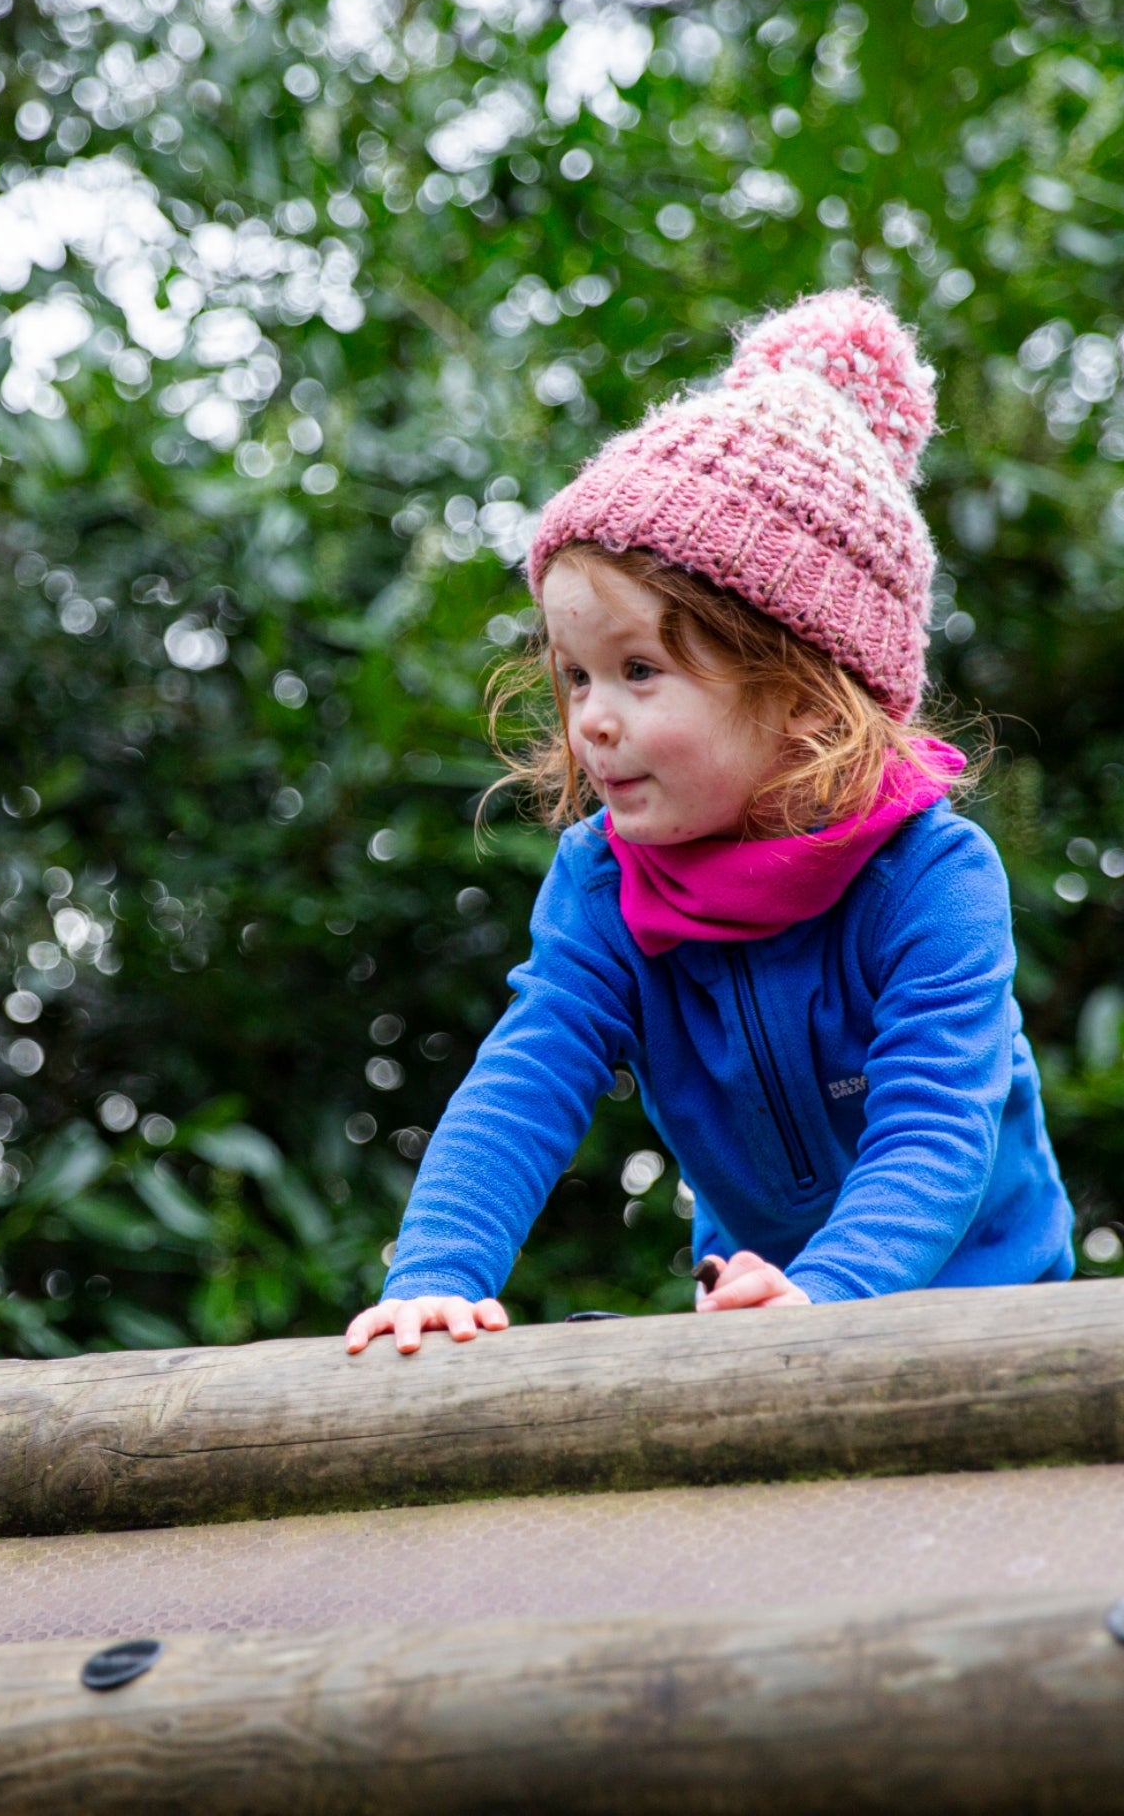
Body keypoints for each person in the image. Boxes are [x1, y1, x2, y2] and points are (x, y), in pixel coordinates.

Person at [347, 289, 1071, 1357]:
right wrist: (439, 1273)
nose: (592, 717)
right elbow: (530, 1071)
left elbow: (934, 1123)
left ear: (798, 693)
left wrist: (830, 1293)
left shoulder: (930, 877)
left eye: (640, 670)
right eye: (576, 673)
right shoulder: (607, 883)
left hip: (985, 1312)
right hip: (761, 1313)